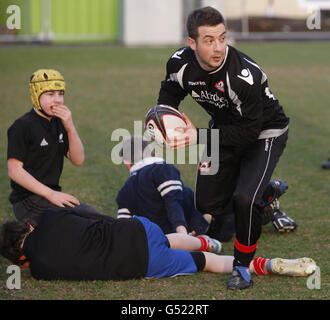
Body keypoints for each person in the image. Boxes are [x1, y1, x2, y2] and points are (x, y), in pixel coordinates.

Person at [156, 7, 293, 289]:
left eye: (222, 37)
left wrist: (198, 137)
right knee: (207, 203)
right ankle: (266, 194)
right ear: (191, 43)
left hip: (264, 131)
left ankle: (242, 268)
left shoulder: (244, 76)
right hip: (223, 128)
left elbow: (247, 133)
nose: (218, 47)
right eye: (208, 40)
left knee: (244, 198)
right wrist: (164, 120)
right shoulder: (180, 64)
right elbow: (169, 93)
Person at [0, 207, 316, 284]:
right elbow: (93, 216)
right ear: (27, 226)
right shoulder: (50, 217)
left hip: (138, 263)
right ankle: (208, 239)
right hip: (137, 230)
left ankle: (267, 265)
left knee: (201, 263)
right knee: (163, 240)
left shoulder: (37, 271)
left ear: (20, 260)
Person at [117, 136, 296, 243]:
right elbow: (173, 200)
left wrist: (181, 231)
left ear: (126, 163)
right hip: (199, 226)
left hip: (195, 225)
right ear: (154, 153)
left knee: (229, 215)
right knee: (231, 218)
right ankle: (267, 205)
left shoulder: (125, 191)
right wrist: (182, 232)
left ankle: (266, 195)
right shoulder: (162, 169)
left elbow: (122, 227)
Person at [7, 69, 99, 226]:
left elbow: (78, 159)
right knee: (75, 225)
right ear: (36, 95)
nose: (58, 100)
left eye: (60, 94)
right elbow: (14, 171)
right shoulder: (22, 126)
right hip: (28, 200)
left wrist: (70, 127)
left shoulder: (59, 123)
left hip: (52, 196)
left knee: (96, 218)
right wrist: (51, 194)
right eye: (50, 94)